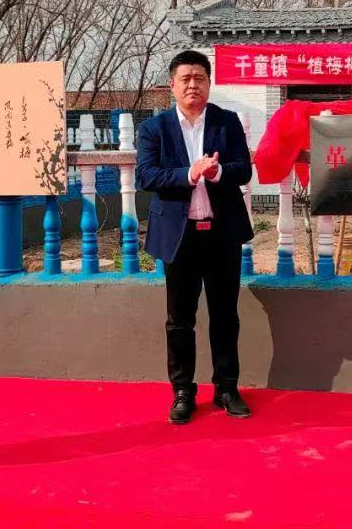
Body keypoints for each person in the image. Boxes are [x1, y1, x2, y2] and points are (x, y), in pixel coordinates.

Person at [136, 50, 254, 424]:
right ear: (172, 85)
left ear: (209, 83)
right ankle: (183, 391)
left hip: (221, 234)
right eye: (185, 78)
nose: (192, 85)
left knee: (225, 315)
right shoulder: (153, 129)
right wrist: (189, 173)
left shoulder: (227, 122)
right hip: (179, 236)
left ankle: (226, 388)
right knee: (179, 319)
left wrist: (217, 172)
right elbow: (147, 176)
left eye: (199, 78)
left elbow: (244, 169)